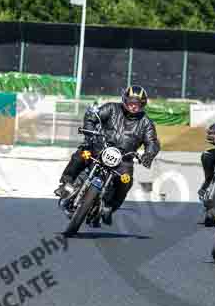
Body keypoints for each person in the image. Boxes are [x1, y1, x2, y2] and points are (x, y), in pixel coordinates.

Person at [54, 85, 160, 227]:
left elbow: (152, 142)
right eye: (131, 102)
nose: (133, 106)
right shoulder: (111, 108)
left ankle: (109, 207)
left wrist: (149, 154)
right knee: (81, 154)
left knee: (126, 181)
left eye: (137, 104)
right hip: (99, 148)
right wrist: (90, 133)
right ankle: (66, 183)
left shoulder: (146, 123)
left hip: (123, 160)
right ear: (125, 100)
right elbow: (93, 116)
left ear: (142, 105)